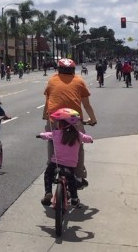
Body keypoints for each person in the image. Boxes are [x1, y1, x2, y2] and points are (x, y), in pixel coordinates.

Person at [42, 58, 97, 186]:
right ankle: (78, 176)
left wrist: (45, 116)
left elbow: (48, 101)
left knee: (52, 140)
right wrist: (93, 119)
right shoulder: (79, 80)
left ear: (58, 69)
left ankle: (52, 164)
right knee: (79, 143)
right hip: (74, 120)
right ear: (73, 70)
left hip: (55, 119)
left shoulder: (52, 80)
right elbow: (87, 105)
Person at [38, 108, 93, 207]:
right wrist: (91, 139)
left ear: (62, 124)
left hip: (56, 163)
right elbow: (88, 138)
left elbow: (47, 135)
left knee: (48, 174)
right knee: (71, 182)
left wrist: (41, 135)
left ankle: (48, 192)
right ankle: (74, 199)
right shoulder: (78, 135)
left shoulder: (56, 133)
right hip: (71, 165)